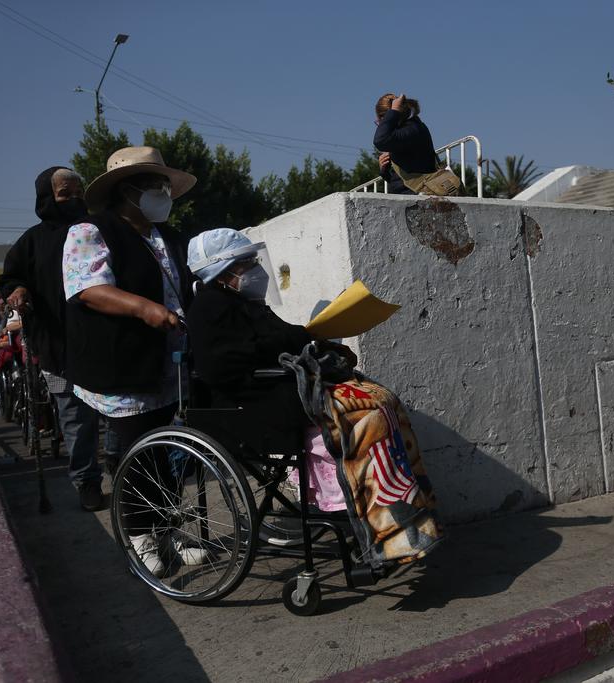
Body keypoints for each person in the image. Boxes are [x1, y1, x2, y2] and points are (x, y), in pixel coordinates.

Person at [62, 146, 203, 574]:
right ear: (129, 191)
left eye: (164, 184)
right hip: (124, 363)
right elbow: (88, 288)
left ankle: (169, 528)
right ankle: (141, 534)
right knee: (138, 452)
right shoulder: (91, 232)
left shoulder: (169, 237)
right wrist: (145, 308)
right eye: (154, 185)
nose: (162, 192)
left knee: (169, 452)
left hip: (169, 363)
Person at [184, 229, 347, 511]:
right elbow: (227, 364)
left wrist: (311, 338)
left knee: (373, 400)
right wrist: (298, 341)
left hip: (271, 394)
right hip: (248, 405)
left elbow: (278, 336)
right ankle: (350, 503)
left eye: (254, 261)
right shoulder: (211, 307)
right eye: (246, 264)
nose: (256, 269)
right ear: (223, 273)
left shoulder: (242, 302)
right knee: (356, 415)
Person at [0, 166, 105, 511]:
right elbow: (12, 277)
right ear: (47, 197)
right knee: (76, 419)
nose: (75, 199)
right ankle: (86, 482)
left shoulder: (98, 231)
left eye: (79, 193)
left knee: (117, 411)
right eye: (65, 194)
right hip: (56, 345)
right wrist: (17, 290)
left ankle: (121, 464)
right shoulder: (31, 241)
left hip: (101, 341)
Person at [373, 92, 438, 195]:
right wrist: (384, 170)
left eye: (381, 122)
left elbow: (380, 140)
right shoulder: (406, 132)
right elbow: (400, 180)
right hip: (410, 196)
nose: (381, 125)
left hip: (416, 197)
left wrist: (393, 110)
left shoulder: (413, 129)